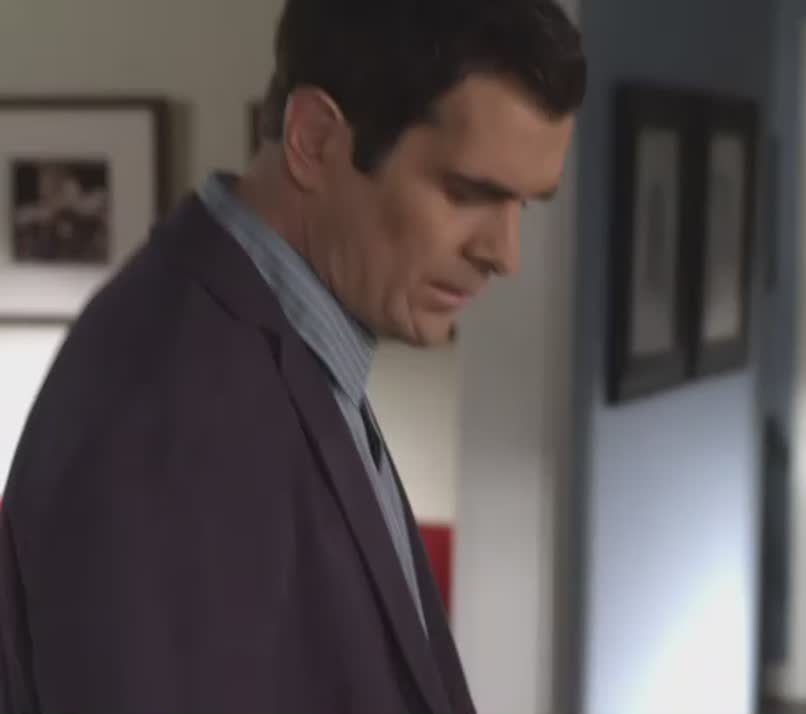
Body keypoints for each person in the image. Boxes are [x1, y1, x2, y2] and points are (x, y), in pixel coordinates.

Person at [0, 0, 585, 711]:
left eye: (525, 204)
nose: (504, 254)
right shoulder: (174, 410)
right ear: (314, 139)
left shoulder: (283, 343)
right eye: (467, 192)